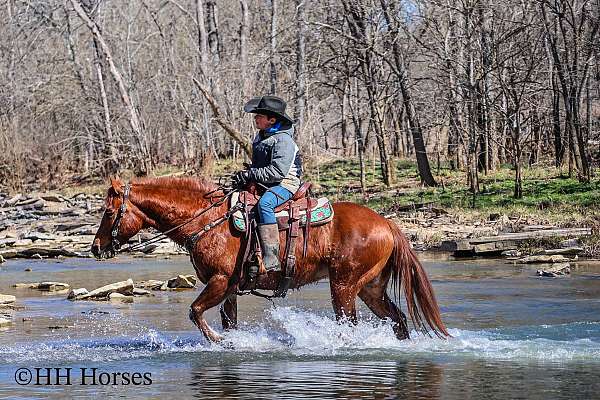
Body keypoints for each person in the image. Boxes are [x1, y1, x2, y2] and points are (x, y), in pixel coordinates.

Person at [232, 96, 302, 273]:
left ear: (272, 120)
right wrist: (246, 176)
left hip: (285, 183)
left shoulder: (284, 141)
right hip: (265, 182)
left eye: (259, 116)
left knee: (265, 205)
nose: (255, 118)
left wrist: (252, 174)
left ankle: (272, 257)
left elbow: (277, 172)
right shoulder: (262, 136)